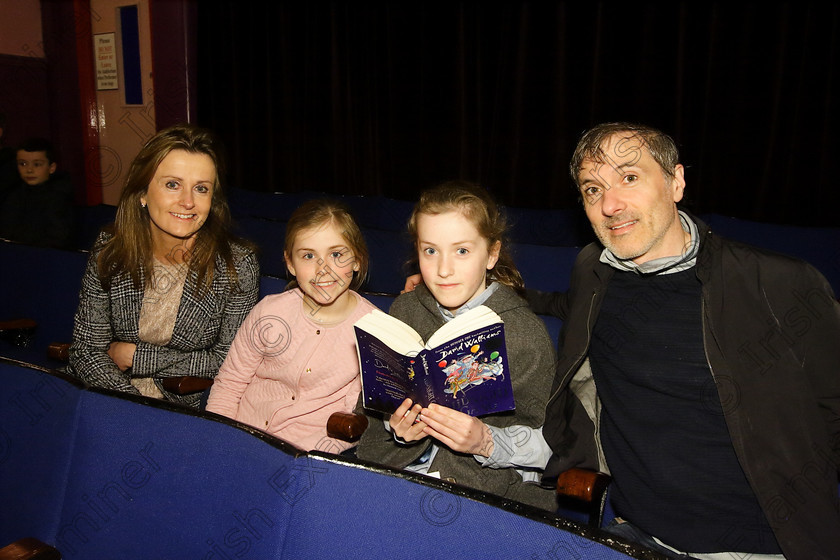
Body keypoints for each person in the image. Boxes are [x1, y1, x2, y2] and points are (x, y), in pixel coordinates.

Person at [531, 123, 840, 559]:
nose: (611, 204)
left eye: (630, 177)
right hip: (635, 533)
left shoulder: (777, 283)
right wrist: (476, 287)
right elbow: (564, 305)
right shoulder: (594, 272)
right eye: (593, 189)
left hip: (759, 548)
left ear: (676, 182)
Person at [357, 181, 558, 511]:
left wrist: (486, 441)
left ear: (492, 254)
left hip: (482, 495)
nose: (443, 270)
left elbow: (550, 446)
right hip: (400, 478)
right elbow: (374, 405)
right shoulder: (405, 310)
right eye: (430, 251)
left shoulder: (524, 333)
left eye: (461, 250)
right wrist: (397, 429)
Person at [67, 124, 260, 409]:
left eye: (201, 189)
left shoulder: (236, 263)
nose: (188, 201)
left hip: (180, 406)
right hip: (107, 392)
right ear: (143, 193)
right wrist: (132, 405)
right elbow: (86, 350)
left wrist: (137, 357)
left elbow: (227, 362)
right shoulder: (111, 248)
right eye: (172, 184)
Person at [206, 199, 378, 453]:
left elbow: (350, 420)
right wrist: (216, 438)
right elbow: (230, 383)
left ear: (357, 261)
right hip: (240, 435)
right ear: (290, 263)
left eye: (337, 254)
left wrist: (311, 458)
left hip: (304, 453)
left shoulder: (372, 331)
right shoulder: (270, 311)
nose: (323, 269)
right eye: (309, 256)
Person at [0, 137, 75, 248]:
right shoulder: (14, 194)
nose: (29, 170)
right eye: (23, 164)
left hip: (45, 257)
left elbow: (58, 238)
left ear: (51, 167)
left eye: (37, 164)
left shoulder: (58, 196)